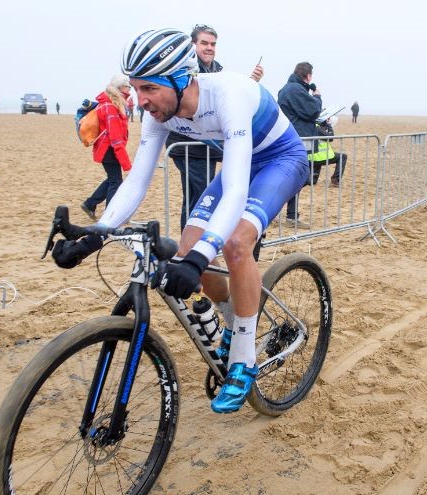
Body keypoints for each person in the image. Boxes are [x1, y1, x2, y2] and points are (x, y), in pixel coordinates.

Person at [52, 29, 307, 414]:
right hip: (241, 165)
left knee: (235, 244)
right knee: (187, 248)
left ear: (179, 78)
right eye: (136, 89)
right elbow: (137, 179)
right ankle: (234, 318)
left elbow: (236, 188)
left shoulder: (228, 94)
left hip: (280, 160)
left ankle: (243, 359)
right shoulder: (161, 113)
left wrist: (201, 257)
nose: (141, 101)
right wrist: (95, 235)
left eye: (149, 89)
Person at [164, 24, 265, 230]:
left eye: (213, 44)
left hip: (208, 147)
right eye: (204, 43)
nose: (209, 48)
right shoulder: (184, 69)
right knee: (199, 198)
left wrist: (250, 82)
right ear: (193, 45)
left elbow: (225, 96)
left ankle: (193, 241)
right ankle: (190, 245)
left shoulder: (217, 68)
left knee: (199, 196)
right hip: (187, 146)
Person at [80, 74, 132, 220]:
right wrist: (127, 164)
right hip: (109, 149)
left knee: (112, 179)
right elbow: (115, 137)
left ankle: (90, 204)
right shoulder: (110, 106)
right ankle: (110, 214)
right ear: (119, 88)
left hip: (106, 148)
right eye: (127, 86)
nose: (129, 89)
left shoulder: (110, 103)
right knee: (116, 181)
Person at [277, 61, 322, 228]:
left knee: (295, 177)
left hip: (291, 138)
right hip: (298, 139)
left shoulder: (287, 88)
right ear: (308, 76)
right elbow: (313, 111)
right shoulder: (295, 89)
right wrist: (317, 97)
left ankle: (285, 212)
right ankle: (291, 216)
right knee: (299, 178)